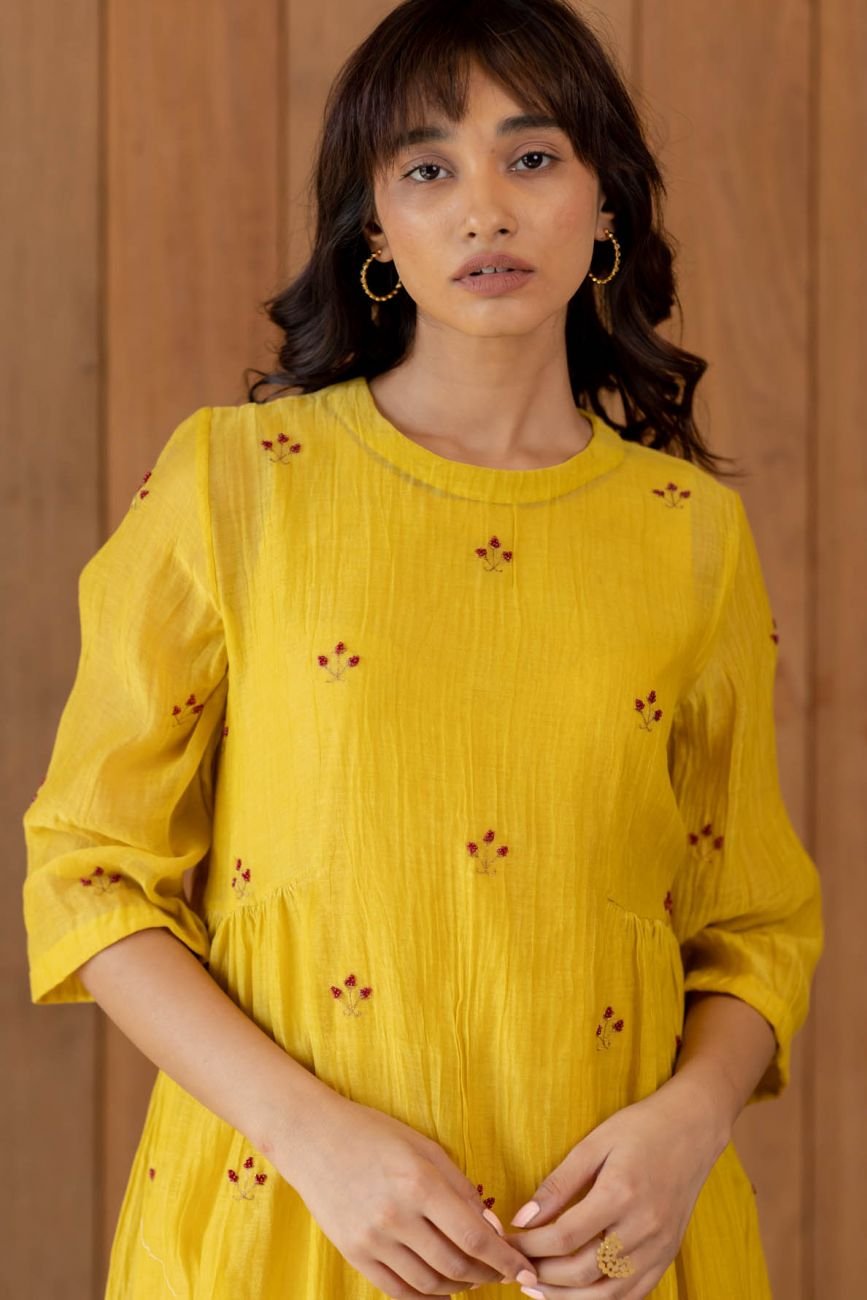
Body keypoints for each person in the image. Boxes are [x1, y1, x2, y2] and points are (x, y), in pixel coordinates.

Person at [21, 1, 824, 1296]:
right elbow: (89, 873)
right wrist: (310, 1138)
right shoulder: (235, 484)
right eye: (428, 169)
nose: (485, 211)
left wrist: (692, 1124)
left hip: (607, 1250)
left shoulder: (691, 534)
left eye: (532, 156)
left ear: (606, 204)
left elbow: (754, 923)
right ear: (377, 231)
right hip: (288, 1221)